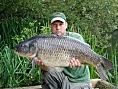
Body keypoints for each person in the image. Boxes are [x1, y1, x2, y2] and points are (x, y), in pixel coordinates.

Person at [35, 12, 93, 89]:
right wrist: (42, 65)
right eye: (55, 25)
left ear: (66, 25)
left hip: (78, 80)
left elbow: (86, 55)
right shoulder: (48, 42)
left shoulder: (76, 37)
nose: (58, 27)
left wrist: (81, 62)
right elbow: (49, 69)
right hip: (62, 77)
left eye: (60, 24)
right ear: (51, 26)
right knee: (47, 73)